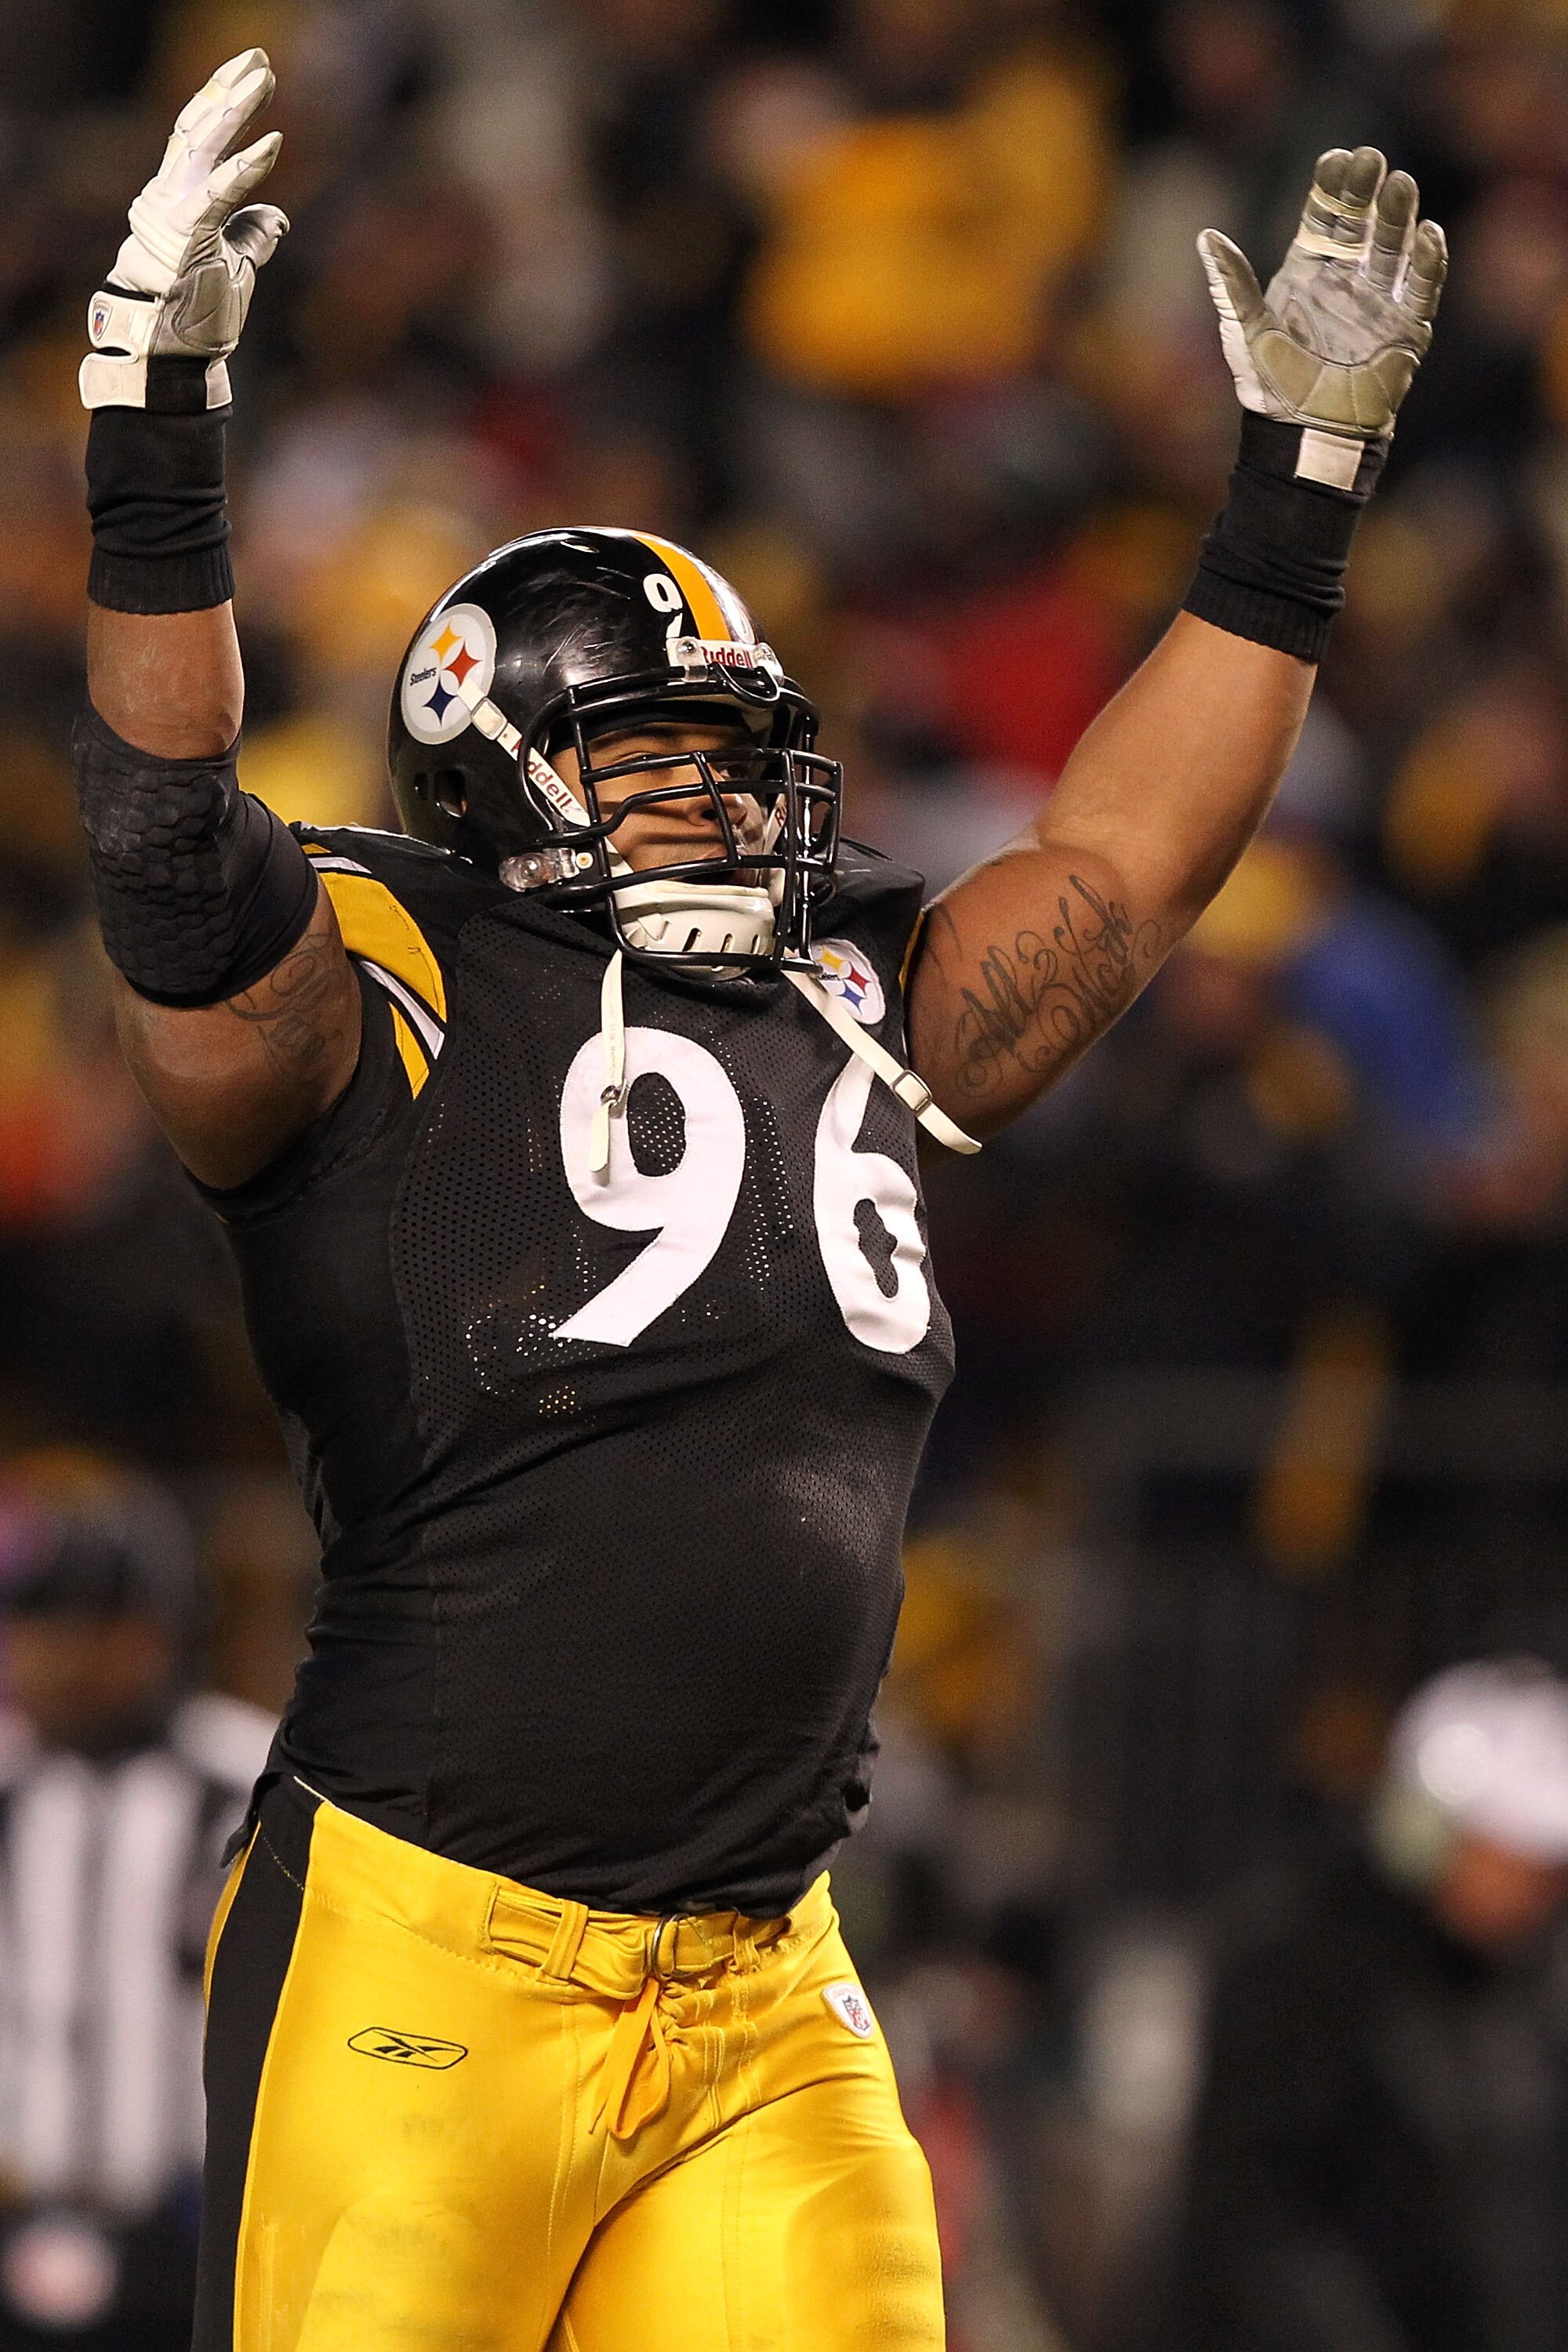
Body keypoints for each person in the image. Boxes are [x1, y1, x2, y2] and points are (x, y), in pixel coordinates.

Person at [71, 51, 1446, 2352]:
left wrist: (1296, 494)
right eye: (655, 763)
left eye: (736, 762)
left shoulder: (847, 995)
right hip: (432, 1956)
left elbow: (1121, 866)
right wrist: (151, 443)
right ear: (501, 774)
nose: (720, 808)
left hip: (761, 1976)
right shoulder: (387, 991)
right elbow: (160, 836)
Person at [1171, 1660, 1568, 2352]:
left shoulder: (1521, 1988)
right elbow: (1258, 2225)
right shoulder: (1299, 1969)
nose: (1535, 1891)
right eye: (1510, 1855)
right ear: (1424, 1830)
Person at [0, 1476, 271, 2352]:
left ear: (155, 1633)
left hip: (200, 2232)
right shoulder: (7, 1787)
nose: (46, 1654)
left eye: (79, 1624)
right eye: (30, 1622)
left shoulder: (250, 1786)